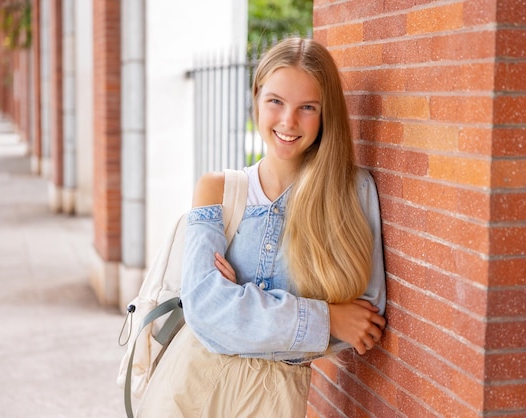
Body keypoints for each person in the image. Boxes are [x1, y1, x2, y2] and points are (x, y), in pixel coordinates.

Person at [136, 37, 386, 418]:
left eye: (307, 107)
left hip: (276, 400)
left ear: (326, 115)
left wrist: (240, 300)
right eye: (276, 102)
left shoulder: (353, 192)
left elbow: (364, 321)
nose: (288, 121)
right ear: (256, 99)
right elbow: (205, 309)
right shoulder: (217, 189)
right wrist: (326, 316)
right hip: (191, 387)